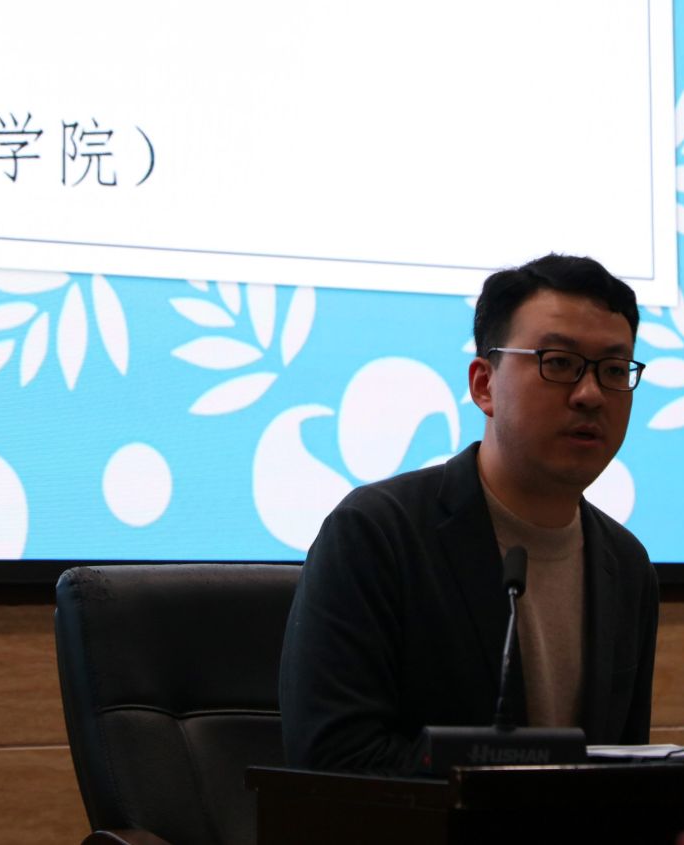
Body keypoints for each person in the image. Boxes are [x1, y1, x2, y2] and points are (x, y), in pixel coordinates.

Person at [279, 253, 660, 775]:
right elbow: (331, 760)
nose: (591, 394)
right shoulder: (377, 534)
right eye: (558, 363)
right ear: (484, 385)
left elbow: (622, 768)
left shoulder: (627, 565)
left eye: (614, 370)